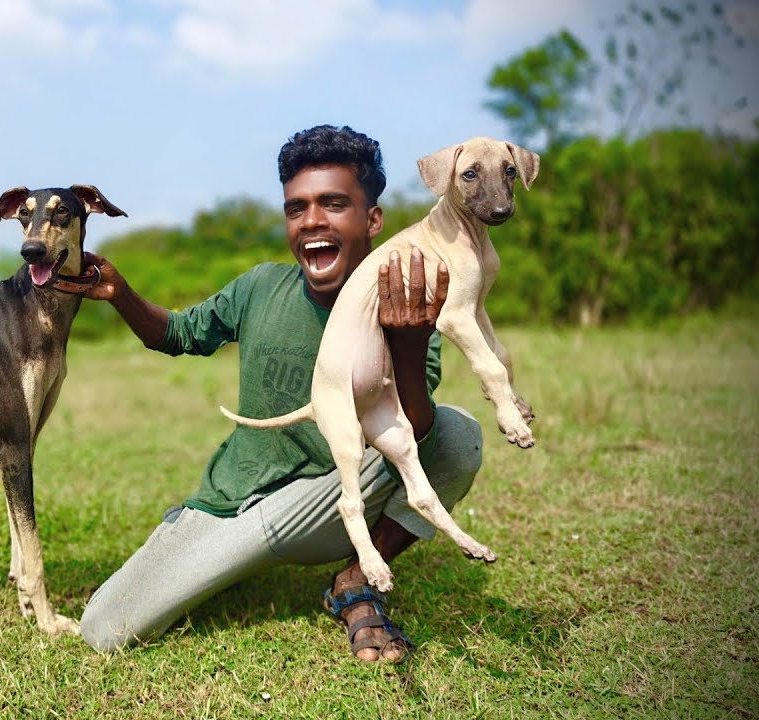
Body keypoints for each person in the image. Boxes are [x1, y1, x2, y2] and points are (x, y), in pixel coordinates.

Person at [77, 124, 485, 662]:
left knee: (456, 434)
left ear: (373, 219)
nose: (313, 220)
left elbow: (413, 429)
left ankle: (356, 581)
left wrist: (408, 345)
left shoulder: (404, 296)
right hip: (240, 510)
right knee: (105, 629)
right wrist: (120, 293)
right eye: (297, 208)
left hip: (335, 500)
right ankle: (220, 565)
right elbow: (175, 334)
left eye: (334, 204)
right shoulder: (260, 287)